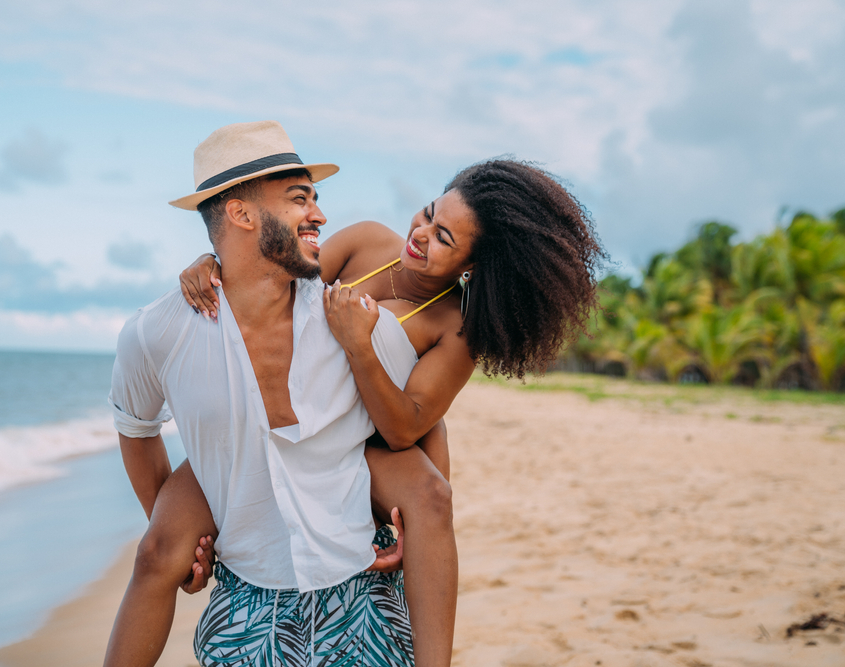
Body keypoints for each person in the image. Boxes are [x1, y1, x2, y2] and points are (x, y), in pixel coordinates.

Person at [176, 154, 605, 665]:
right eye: (427, 213)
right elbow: (278, 278)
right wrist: (213, 265)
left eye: (444, 238)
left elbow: (405, 427)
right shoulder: (364, 242)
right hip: (278, 416)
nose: (421, 233)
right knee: (160, 550)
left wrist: (361, 347)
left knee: (432, 496)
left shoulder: (457, 329)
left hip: (358, 442)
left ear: (473, 267)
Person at [106, 120, 423, 667]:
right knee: (153, 555)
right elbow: (136, 428)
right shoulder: (158, 331)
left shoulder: (353, 325)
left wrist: (414, 522)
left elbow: (417, 423)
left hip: (361, 600)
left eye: (316, 199)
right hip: (245, 613)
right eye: (300, 199)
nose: (320, 214)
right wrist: (179, 542)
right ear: (242, 213)